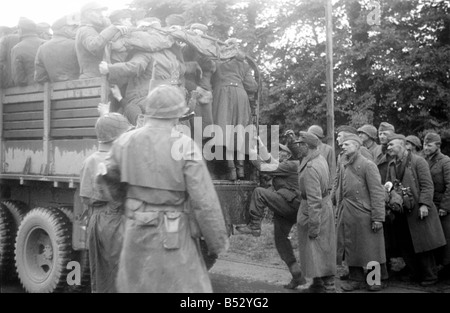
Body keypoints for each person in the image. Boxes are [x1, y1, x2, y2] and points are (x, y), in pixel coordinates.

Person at [98, 84, 229, 292]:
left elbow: (107, 178)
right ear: (178, 115)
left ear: (149, 111)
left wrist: (131, 207)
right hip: (173, 233)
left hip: (135, 229)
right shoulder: (185, 146)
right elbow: (204, 200)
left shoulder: (123, 142)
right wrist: (217, 242)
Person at [235, 138, 306, 289]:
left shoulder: (291, 165)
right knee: (281, 241)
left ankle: (254, 226)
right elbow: (270, 160)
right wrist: (260, 143)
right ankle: (297, 275)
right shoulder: (291, 163)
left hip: (290, 205)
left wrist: (251, 153)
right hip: (288, 204)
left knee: (260, 192)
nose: (280, 153)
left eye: (283, 151)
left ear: (288, 154)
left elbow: (264, 167)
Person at [79, 112, 132, 293]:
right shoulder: (120, 160)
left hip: (96, 220)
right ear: (116, 137)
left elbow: (85, 197)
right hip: (117, 219)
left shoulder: (90, 160)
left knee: (101, 273)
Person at [386, 133, 446, 286]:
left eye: (391, 144)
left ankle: (430, 276)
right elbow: (389, 185)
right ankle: (415, 274)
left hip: (419, 209)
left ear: (402, 144)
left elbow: (427, 185)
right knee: (406, 245)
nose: (388, 147)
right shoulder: (392, 165)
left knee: (424, 245)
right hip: (402, 211)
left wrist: (425, 204)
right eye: (388, 145)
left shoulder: (418, 161)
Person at [333, 133, 387, 292]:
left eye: (347, 144)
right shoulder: (343, 163)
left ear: (357, 146)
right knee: (350, 246)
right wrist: (338, 209)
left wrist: (377, 217)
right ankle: (355, 279)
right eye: (342, 145)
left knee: (371, 248)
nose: (343, 146)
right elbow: (340, 187)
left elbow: (377, 193)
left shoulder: (368, 165)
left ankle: (374, 280)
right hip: (347, 212)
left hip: (364, 213)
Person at [293, 131, 336, 293]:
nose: (298, 147)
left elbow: (314, 200)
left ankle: (329, 287)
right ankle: (317, 285)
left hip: (314, 211)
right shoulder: (319, 158)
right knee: (318, 250)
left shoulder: (311, 167)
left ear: (306, 146)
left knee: (319, 249)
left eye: (300, 144)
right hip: (323, 208)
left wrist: (314, 226)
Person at [209, 42, 258, 180]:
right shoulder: (244, 64)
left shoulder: (216, 61)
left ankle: (231, 169)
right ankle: (240, 169)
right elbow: (252, 87)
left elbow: (208, 79)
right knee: (240, 131)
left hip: (222, 95)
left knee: (224, 131)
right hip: (240, 96)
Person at [75, 1, 128, 79]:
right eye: (97, 12)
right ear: (87, 14)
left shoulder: (95, 29)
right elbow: (93, 45)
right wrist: (112, 29)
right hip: (93, 79)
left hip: (98, 77)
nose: (101, 15)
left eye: (101, 12)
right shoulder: (85, 29)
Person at [422, 132, 450, 279]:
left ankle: (446, 268)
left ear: (438, 146)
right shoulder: (423, 160)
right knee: (433, 238)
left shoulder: (445, 162)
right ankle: (438, 268)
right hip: (430, 203)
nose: (425, 147)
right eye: (424, 144)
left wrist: (445, 207)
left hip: (442, 205)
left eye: (429, 145)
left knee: (446, 238)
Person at [34, 15, 80, 83]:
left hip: (55, 92)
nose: (77, 30)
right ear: (65, 29)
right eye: (73, 28)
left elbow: (39, 77)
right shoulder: (76, 44)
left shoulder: (42, 48)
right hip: (81, 89)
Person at [11, 17, 45, 86]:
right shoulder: (46, 43)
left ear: (20, 30)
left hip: (30, 91)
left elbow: (19, 79)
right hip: (49, 86)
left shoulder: (17, 48)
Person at [307, 125, 336, 190]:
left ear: (316, 136)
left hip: (324, 186)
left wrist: (331, 187)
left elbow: (332, 169)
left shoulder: (328, 149)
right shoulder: (307, 149)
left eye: (310, 135)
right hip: (310, 183)